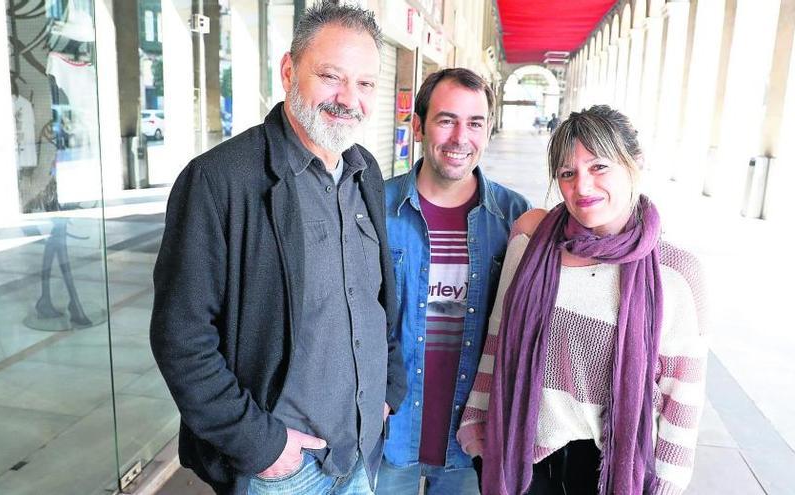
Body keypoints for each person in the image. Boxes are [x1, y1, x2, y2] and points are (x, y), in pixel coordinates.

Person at [149, 3, 406, 494]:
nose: (349, 99)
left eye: (366, 83)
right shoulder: (220, 180)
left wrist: (387, 389)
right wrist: (259, 445)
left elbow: (374, 299)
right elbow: (180, 337)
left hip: (360, 447)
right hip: (284, 470)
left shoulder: (364, 171)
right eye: (331, 76)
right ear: (290, 70)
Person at [458, 105, 707, 495]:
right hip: (520, 454)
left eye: (599, 167)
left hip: (610, 469)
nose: (583, 187)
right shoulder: (531, 243)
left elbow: (683, 393)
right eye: (568, 173)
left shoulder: (675, 273)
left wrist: (666, 485)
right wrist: (476, 425)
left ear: (634, 163)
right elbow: (497, 338)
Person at [378, 68, 531, 494]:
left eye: (475, 123)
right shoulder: (375, 206)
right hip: (388, 436)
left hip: (471, 443)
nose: (460, 137)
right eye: (446, 120)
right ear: (419, 125)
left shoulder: (516, 217)